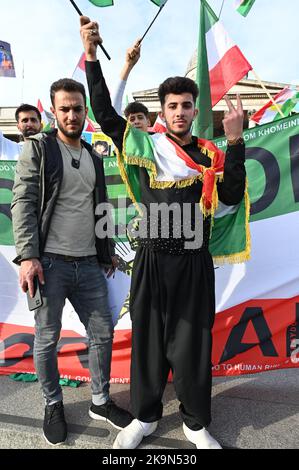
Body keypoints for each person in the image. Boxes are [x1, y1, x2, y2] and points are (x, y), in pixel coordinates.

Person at [80, 17, 248, 450]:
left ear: (195, 109)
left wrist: (235, 143)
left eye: (186, 105)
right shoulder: (149, 145)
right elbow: (102, 114)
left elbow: (230, 195)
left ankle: (194, 422)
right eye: (172, 106)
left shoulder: (211, 154)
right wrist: (100, 59)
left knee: (193, 344)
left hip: (194, 260)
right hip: (152, 259)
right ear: (163, 110)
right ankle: (145, 417)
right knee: (149, 344)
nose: (179, 112)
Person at [11, 77, 133, 446]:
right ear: (53, 111)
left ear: (85, 111)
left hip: (88, 264)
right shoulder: (39, 148)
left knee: (102, 334)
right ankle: (53, 403)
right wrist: (29, 256)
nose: (72, 115)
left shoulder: (94, 157)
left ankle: (99, 401)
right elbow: (24, 203)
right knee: (47, 339)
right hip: (48, 263)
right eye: (64, 108)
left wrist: (106, 249)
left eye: (78, 108)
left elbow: (99, 209)